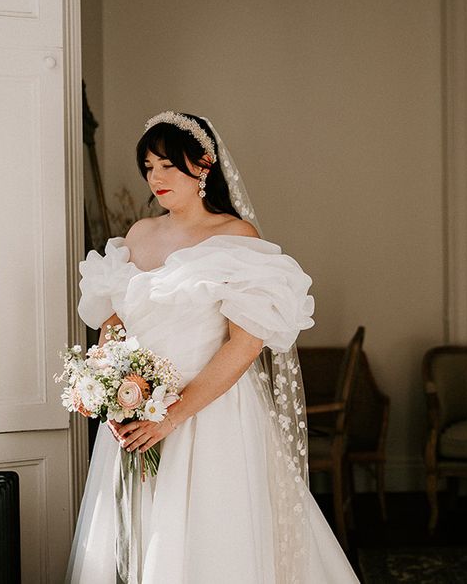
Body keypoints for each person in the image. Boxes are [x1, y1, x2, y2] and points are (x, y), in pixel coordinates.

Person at [65, 111, 360, 583]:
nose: (155, 178)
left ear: (202, 165)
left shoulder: (236, 238)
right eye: (148, 167)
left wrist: (173, 415)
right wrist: (101, 381)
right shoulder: (139, 235)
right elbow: (114, 325)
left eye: (167, 165)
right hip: (133, 415)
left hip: (209, 416)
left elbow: (244, 346)